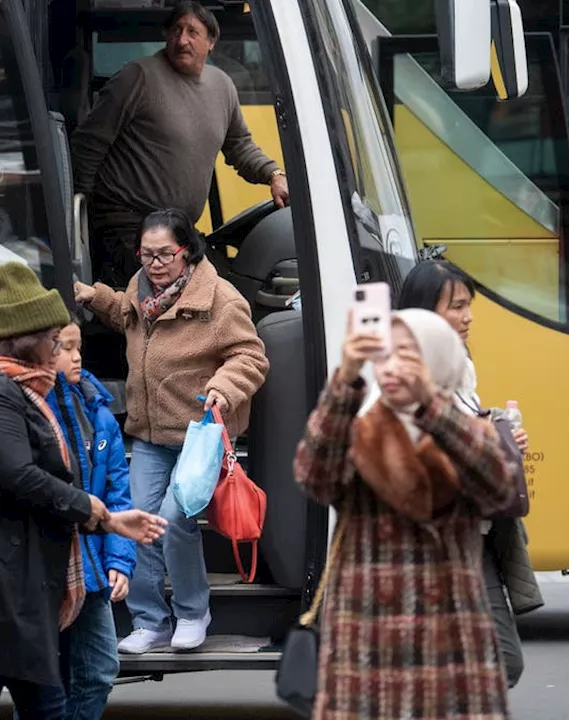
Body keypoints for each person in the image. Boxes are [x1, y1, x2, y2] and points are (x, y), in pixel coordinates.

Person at [0, 262, 166, 720]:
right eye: (53, 341)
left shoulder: (28, 389)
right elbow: (19, 475)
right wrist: (98, 513)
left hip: (23, 580)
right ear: (25, 339)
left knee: (46, 705)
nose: (60, 350)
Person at [295, 308, 520, 720]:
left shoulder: (467, 430)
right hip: (365, 637)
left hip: (451, 636)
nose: (393, 366)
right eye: (385, 354)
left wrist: (431, 406)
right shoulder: (357, 428)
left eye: (409, 354)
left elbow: (498, 488)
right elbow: (314, 477)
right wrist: (345, 379)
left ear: (438, 360)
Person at [73, 208, 269, 654]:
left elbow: (251, 357)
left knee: (176, 520)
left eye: (165, 254)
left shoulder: (220, 299)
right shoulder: (142, 291)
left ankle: (193, 612)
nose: (155, 264)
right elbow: (124, 311)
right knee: (137, 518)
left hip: (199, 436)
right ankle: (149, 621)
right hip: (149, 434)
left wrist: (223, 386)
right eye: (146, 255)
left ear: (188, 250)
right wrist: (92, 295)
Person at [395, 260, 544, 689]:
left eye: (468, 305)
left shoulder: (458, 366)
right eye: (457, 306)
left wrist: (500, 432)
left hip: (474, 538)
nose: (468, 316)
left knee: (500, 661)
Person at [70, 0, 288, 289]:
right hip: (126, 223)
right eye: (176, 30)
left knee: (227, 289)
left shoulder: (222, 86)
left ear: (211, 42)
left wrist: (274, 175)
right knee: (182, 298)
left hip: (177, 228)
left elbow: (239, 147)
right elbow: (88, 143)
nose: (182, 40)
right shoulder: (138, 77)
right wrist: (82, 224)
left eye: (192, 32)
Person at [46, 320, 135, 719]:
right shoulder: (31, 407)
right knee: (49, 681)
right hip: (50, 562)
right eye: (66, 347)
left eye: (78, 346)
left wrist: (119, 561)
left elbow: (118, 494)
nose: (77, 355)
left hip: (93, 563)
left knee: (99, 669)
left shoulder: (96, 409)